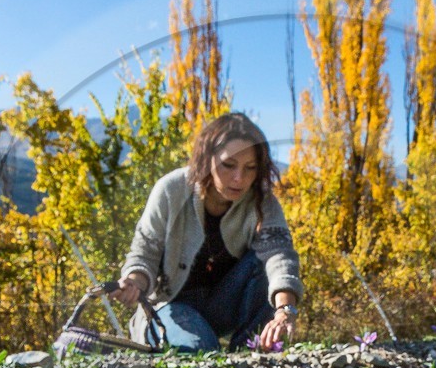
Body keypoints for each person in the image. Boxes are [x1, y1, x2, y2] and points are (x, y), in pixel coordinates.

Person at [113, 112, 303, 352]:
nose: (239, 178)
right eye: (228, 165)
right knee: (201, 350)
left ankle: (251, 356)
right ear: (207, 159)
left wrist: (284, 311)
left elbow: (280, 255)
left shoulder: (261, 201)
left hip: (220, 306)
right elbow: (144, 254)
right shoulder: (171, 190)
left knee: (263, 262)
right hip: (168, 307)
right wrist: (133, 282)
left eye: (250, 168)